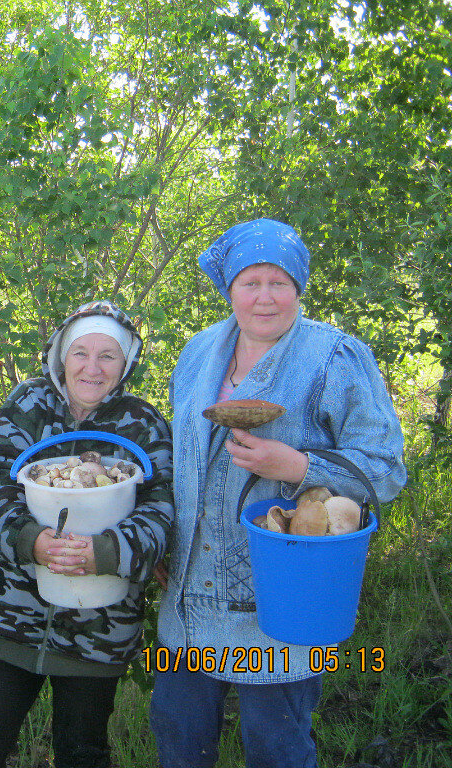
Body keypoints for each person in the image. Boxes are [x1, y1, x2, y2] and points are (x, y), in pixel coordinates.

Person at [149, 219, 407, 768]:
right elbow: (180, 460)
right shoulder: (198, 353)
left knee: (277, 749)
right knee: (179, 744)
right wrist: (163, 541)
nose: (265, 297)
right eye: (250, 282)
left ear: (299, 288)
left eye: (279, 282)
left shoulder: (335, 357)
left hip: (285, 606)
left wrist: (296, 466)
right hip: (192, 601)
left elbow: (385, 469)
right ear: (228, 289)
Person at [0, 300, 173, 768]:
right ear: (61, 356)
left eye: (108, 355)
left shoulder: (143, 423)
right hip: (12, 613)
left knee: (82, 750)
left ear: (126, 362)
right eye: (81, 353)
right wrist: (31, 540)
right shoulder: (28, 403)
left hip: (100, 627)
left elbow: (161, 511)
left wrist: (106, 553)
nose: (92, 367)